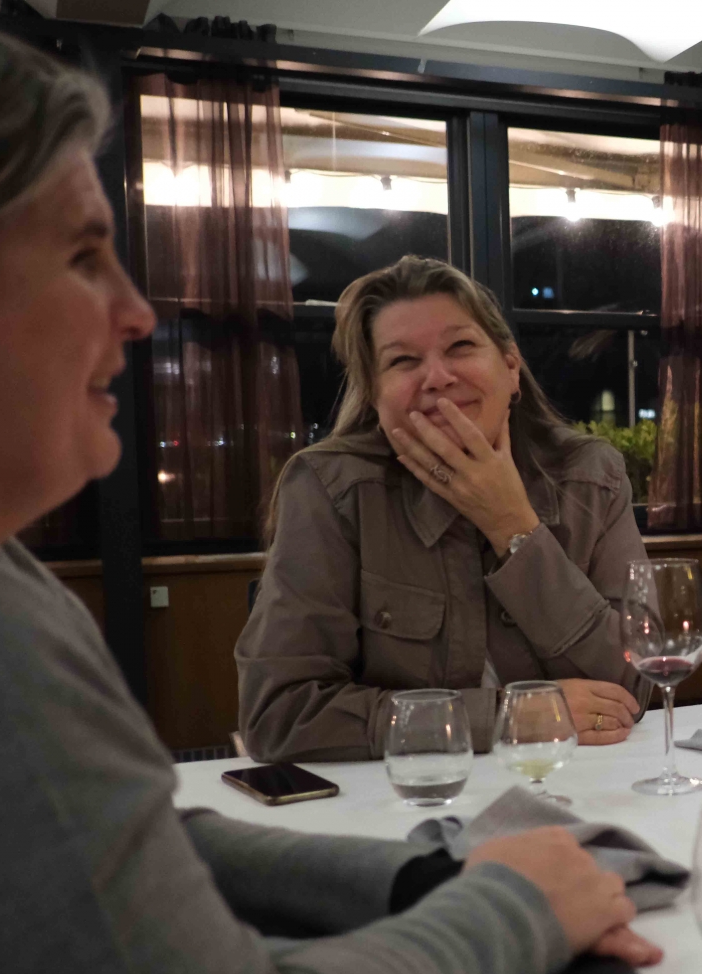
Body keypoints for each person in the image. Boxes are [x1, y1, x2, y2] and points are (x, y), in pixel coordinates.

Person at [0, 9, 657, 974]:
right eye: (84, 255)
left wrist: (427, 880)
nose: (138, 313)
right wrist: (514, 904)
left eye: (463, 349)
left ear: (514, 368)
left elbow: (143, 839)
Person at [237, 257, 648, 762]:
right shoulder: (331, 489)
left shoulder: (591, 475)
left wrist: (513, 526)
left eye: (460, 347)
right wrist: (508, 717)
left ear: (511, 368)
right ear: (375, 396)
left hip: (580, 786)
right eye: (402, 361)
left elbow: (639, 681)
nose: (437, 377)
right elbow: (279, 714)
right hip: (407, 797)